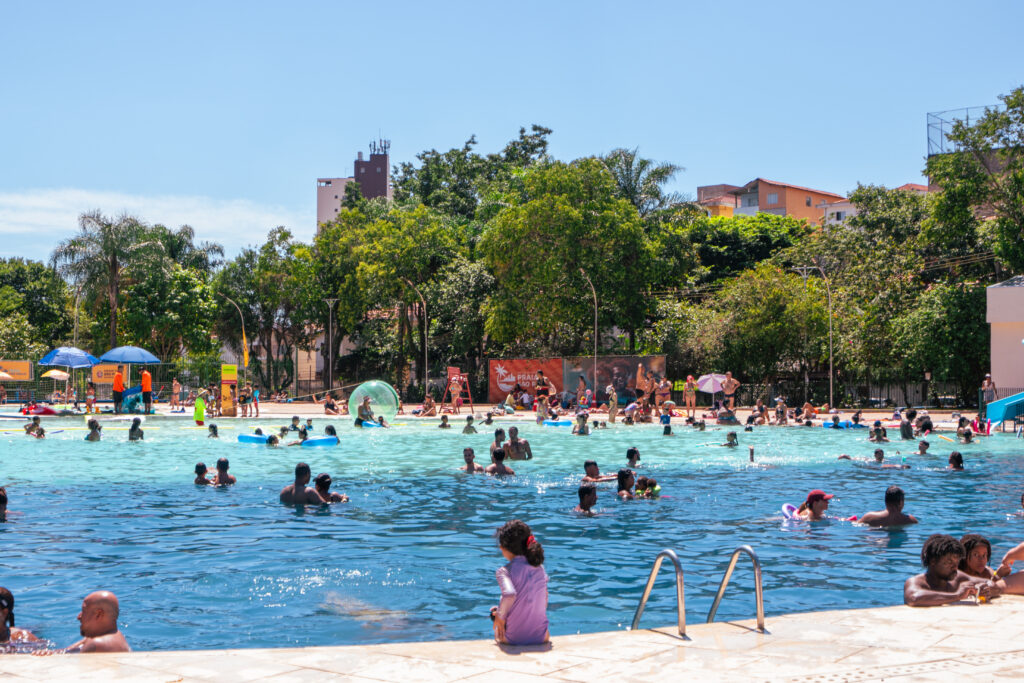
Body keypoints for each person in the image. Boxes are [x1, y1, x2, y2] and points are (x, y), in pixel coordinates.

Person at [490, 519, 549, 645]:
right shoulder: (540, 568)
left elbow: (509, 594)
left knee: (497, 620)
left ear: (503, 547)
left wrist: (500, 616)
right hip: (542, 637)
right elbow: (544, 597)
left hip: (513, 639)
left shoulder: (504, 571)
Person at [904, 534, 997, 606]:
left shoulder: (957, 577)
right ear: (933, 561)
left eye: (957, 563)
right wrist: (958, 595)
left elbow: (991, 583)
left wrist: (984, 589)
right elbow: (914, 598)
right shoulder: (916, 582)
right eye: (949, 562)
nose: (955, 567)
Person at [59, 591, 131, 652]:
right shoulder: (116, 635)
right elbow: (66, 651)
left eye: (84, 611)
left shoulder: (96, 645)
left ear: (98, 614)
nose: (79, 617)